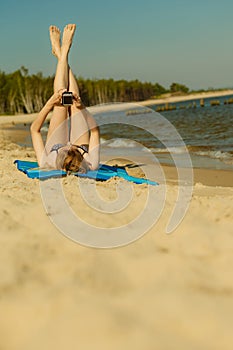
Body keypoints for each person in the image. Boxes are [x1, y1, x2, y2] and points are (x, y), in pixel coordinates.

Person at [30, 24, 100, 173]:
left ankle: (63, 51)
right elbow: (95, 131)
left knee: (62, 99)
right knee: (74, 102)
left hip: (56, 146)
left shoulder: (48, 162)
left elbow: (34, 130)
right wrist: (82, 107)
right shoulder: (90, 163)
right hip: (81, 146)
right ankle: (63, 53)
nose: (68, 145)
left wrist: (50, 103)